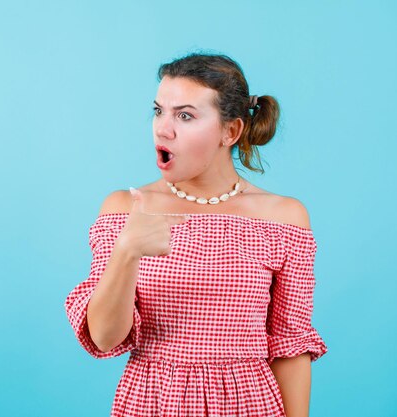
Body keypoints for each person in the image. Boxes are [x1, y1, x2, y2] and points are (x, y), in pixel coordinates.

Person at [64, 52, 328, 417]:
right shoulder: (125, 209)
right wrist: (127, 250)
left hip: (249, 404)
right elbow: (104, 337)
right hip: (154, 402)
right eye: (159, 111)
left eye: (185, 116)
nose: (163, 128)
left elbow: (290, 346)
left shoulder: (285, 218)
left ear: (230, 131)